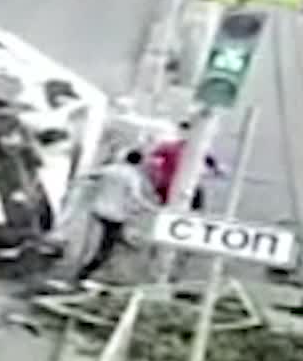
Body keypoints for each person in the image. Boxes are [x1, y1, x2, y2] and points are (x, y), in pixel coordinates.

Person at [75, 149, 157, 284]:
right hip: (116, 215)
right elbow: (136, 197)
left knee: (107, 239)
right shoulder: (132, 176)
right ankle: (86, 272)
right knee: (106, 246)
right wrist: (151, 208)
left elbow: (87, 175)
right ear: (139, 162)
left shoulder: (111, 169)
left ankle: (118, 249)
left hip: (99, 210)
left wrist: (85, 186)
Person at [148, 121, 225, 209]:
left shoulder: (196, 148)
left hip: (186, 183)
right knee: (168, 205)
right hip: (170, 183)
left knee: (195, 198)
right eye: (182, 131)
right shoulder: (169, 147)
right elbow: (151, 157)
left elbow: (209, 159)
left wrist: (216, 169)